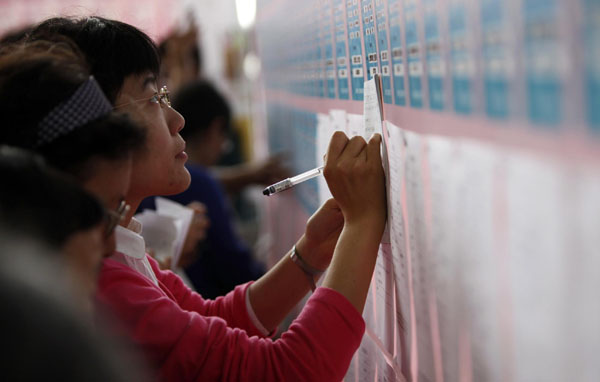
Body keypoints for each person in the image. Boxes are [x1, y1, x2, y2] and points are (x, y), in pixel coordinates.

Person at [29, 16, 387, 381]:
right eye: (153, 98)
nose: (177, 119)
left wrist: (308, 255)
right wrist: (363, 224)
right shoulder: (105, 282)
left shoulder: (119, 251)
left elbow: (213, 320)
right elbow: (289, 372)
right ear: (97, 134)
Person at [139, 80, 266, 298]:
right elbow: (236, 269)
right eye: (154, 100)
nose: (176, 119)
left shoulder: (157, 181)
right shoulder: (200, 182)